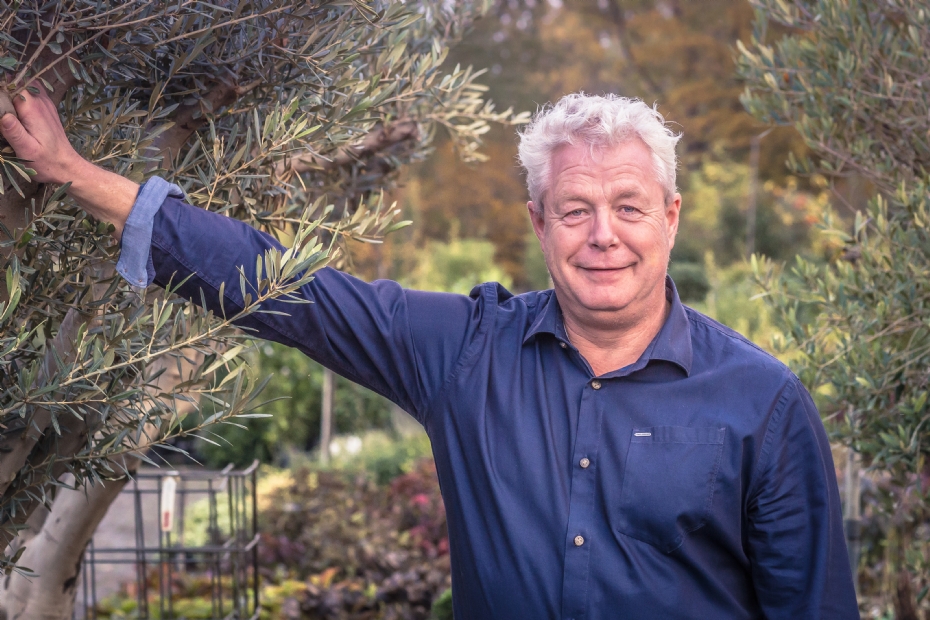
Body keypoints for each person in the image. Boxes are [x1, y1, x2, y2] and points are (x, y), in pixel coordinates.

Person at [0, 90, 859, 619]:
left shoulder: (761, 403)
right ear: (537, 224)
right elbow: (290, 290)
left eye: (630, 208)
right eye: (575, 209)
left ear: (671, 218)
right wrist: (73, 171)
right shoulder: (469, 353)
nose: (604, 237)